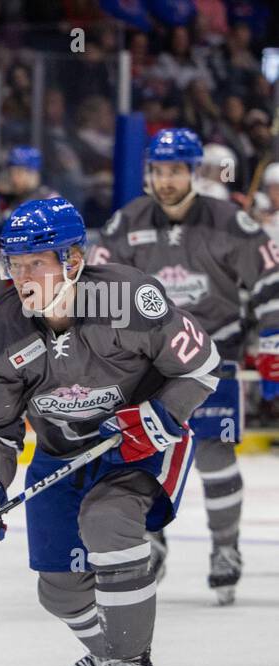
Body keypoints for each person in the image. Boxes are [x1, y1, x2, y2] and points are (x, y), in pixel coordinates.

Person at [0, 197, 217, 666]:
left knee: (106, 519)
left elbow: (202, 365)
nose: (21, 276)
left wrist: (160, 416)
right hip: (61, 453)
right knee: (58, 588)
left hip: (140, 445)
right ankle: (113, 653)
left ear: (73, 259)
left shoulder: (128, 298)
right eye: (14, 263)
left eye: (36, 262)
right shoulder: (4, 327)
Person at [88, 128, 279, 603]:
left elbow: (271, 279)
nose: (167, 180)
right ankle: (150, 542)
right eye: (159, 171)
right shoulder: (125, 222)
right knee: (142, 454)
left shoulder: (231, 222)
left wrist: (273, 338)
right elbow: (97, 288)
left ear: (194, 172)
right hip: (148, 362)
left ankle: (226, 549)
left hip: (215, 354)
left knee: (214, 453)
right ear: (149, 173)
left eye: (176, 170)